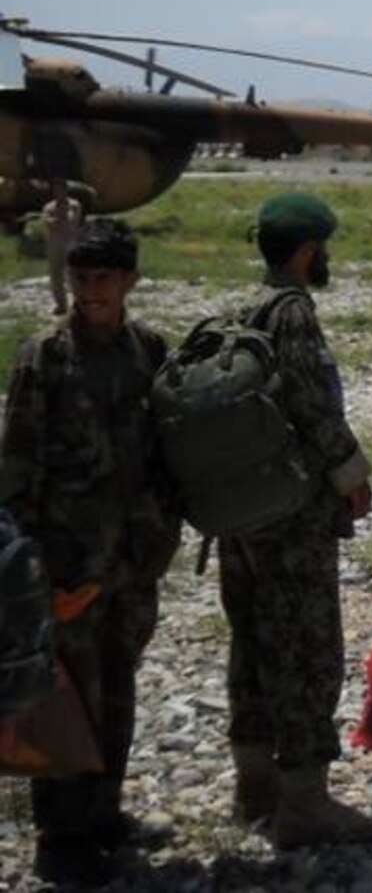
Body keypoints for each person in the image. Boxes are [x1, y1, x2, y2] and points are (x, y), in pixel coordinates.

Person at [0, 219, 180, 884]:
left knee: (120, 691)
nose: (92, 290)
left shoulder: (148, 350)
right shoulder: (45, 356)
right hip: (68, 565)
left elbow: (168, 451)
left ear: (131, 280)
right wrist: (32, 576)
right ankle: (61, 834)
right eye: (81, 278)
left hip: (132, 564)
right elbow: (16, 474)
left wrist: (163, 532)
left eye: (105, 278)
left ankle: (104, 813)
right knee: (65, 696)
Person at [218, 192, 372, 847]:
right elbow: (314, 408)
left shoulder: (235, 312)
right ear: (309, 249)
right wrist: (352, 476)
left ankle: (253, 789)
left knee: (252, 642)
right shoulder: (292, 315)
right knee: (309, 651)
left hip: (238, 512)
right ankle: (305, 803)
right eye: (323, 247)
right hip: (290, 517)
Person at [39, 177, 84, 316]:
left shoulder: (74, 205)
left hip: (69, 244)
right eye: (57, 189)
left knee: (73, 275)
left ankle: (79, 302)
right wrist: (58, 219)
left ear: (66, 190)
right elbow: (48, 223)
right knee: (56, 276)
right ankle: (61, 304)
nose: (59, 192)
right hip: (54, 245)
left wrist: (58, 219)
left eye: (62, 189)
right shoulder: (48, 207)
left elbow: (72, 221)